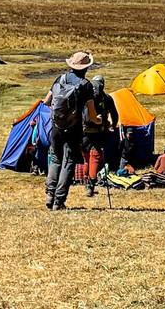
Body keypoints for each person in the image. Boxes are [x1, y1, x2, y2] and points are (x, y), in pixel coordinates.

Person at [43, 51, 94, 210]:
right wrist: (99, 120)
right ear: (86, 68)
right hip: (74, 129)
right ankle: (59, 201)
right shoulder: (86, 85)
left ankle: (49, 194)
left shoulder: (60, 79)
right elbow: (92, 114)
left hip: (56, 127)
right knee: (68, 162)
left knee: (55, 158)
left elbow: (46, 101)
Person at [81, 74, 119, 197]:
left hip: (84, 133)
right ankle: (91, 184)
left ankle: (86, 182)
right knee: (95, 158)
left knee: (86, 158)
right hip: (99, 133)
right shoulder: (106, 98)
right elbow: (114, 114)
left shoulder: (85, 97)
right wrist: (113, 125)